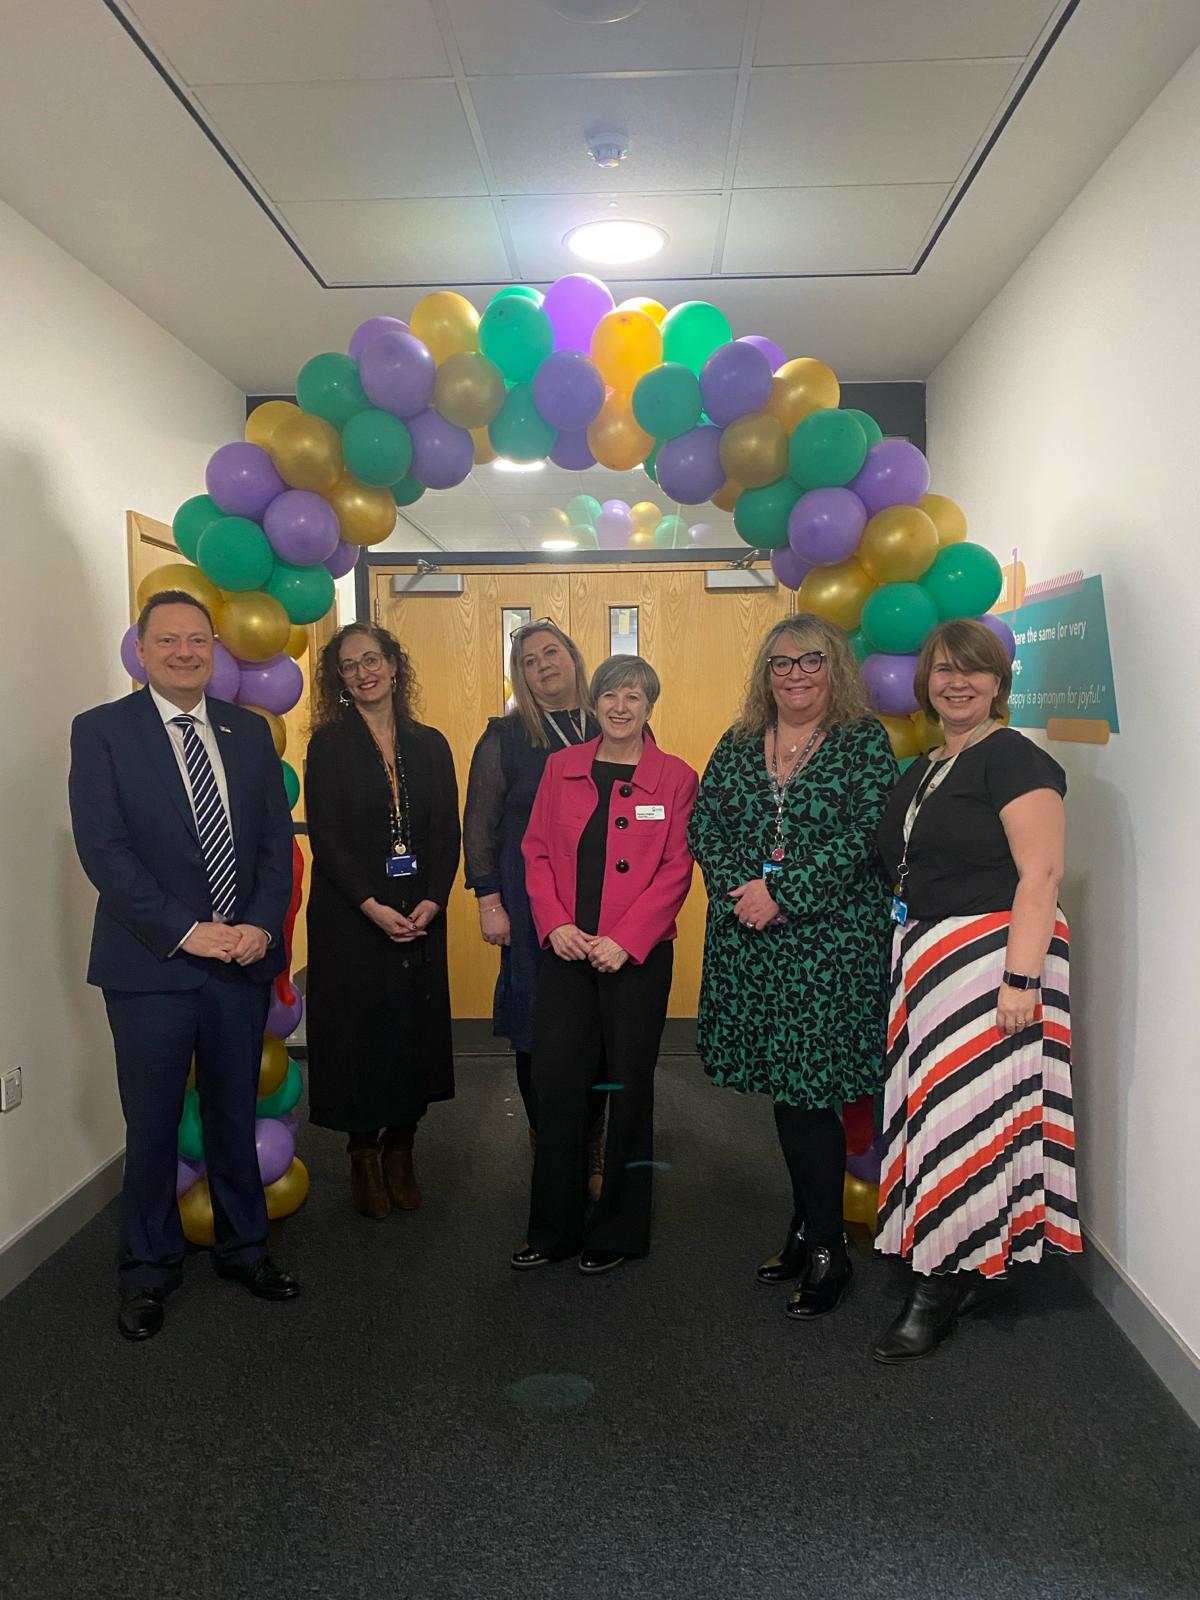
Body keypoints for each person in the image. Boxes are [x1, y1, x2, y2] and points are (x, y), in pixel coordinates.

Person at [69, 591, 299, 1343]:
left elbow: (273, 843)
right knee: (155, 1124)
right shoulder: (102, 732)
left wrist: (261, 926)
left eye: (196, 640)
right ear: (140, 650)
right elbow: (105, 853)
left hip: (239, 965)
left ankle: (244, 1249)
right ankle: (147, 1270)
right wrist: (189, 932)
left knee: (234, 1112)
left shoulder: (246, 732)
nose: (184, 652)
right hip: (151, 970)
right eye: (166, 641)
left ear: (214, 649)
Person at [873, 618, 1082, 1362]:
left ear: (999, 682)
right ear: (925, 682)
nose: (956, 683)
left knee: (964, 1120)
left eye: (973, 670)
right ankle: (969, 1254)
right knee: (944, 1115)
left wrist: (1020, 981)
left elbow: (1042, 875)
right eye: (942, 670)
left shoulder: (1015, 760)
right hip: (931, 962)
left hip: (995, 962)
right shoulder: (929, 764)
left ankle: (941, 1281)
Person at [689, 616, 897, 1320]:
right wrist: (742, 893)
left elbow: (867, 833)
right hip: (754, 944)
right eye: (781, 663)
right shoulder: (742, 741)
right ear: (764, 674)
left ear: (833, 667)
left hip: (829, 946)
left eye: (811, 660)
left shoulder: (863, 743)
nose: (796, 674)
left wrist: (784, 893)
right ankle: (809, 1224)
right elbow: (705, 824)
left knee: (810, 1092)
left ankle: (827, 1249)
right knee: (789, 1089)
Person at [511, 655, 697, 1275]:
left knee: (628, 1088)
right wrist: (556, 924)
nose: (621, 707)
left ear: (650, 707)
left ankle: (618, 1230)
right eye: (610, 696)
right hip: (566, 952)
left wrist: (627, 938)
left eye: (634, 698)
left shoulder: (674, 777)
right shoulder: (560, 767)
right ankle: (554, 1228)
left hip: (635, 959)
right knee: (559, 1086)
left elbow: (676, 870)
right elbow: (535, 851)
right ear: (595, 703)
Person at [304, 623, 460, 1219]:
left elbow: (448, 831)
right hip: (353, 916)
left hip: (420, 911)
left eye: (373, 659)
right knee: (360, 1035)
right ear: (339, 681)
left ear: (395, 665)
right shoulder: (328, 745)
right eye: (349, 665)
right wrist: (372, 905)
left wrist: (433, 900)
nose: (364, 671)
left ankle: (402, 1148)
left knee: (409, 1032)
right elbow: (328, 838)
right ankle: (363, 1153)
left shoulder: (430, 744)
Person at [463, 619, 606, 1185]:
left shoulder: (611, 721)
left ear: (573, 656)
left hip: (602, 905)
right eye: (529, 659)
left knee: (597, 1029)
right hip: (529, 907)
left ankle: (591, 1138)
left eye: (552, 652)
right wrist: (488, 901)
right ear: (520, 675)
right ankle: (546, 1138)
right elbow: (480, 826)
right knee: (537, 1025)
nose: (543, 664)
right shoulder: (507, 735)